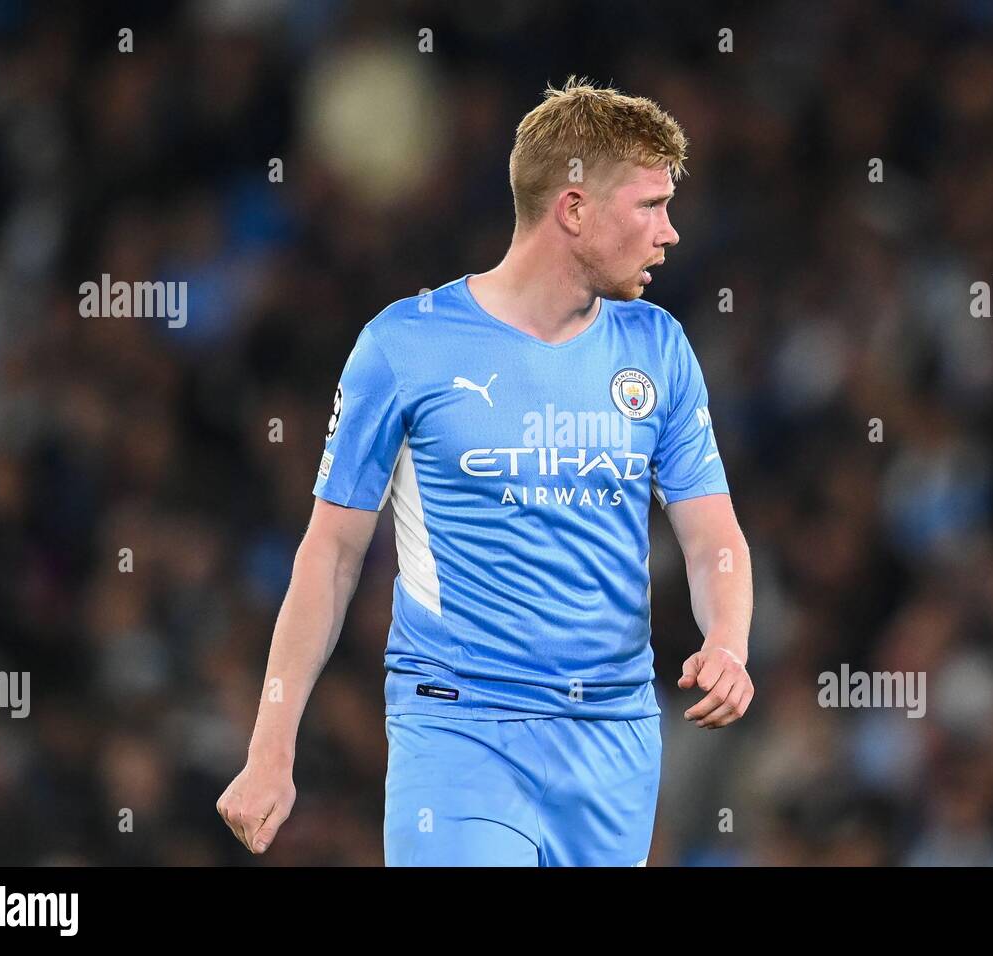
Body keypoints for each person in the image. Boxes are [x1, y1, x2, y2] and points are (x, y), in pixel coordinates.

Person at [217, 76, 754, 866]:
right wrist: (270, 747)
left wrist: (731, 643)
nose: (669, 232)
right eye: (649, 207)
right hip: (461, 728)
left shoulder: (659, 348)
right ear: (573, 209)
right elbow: (329, 557)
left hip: (615, 741)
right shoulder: (406, 346)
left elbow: (713, 535)